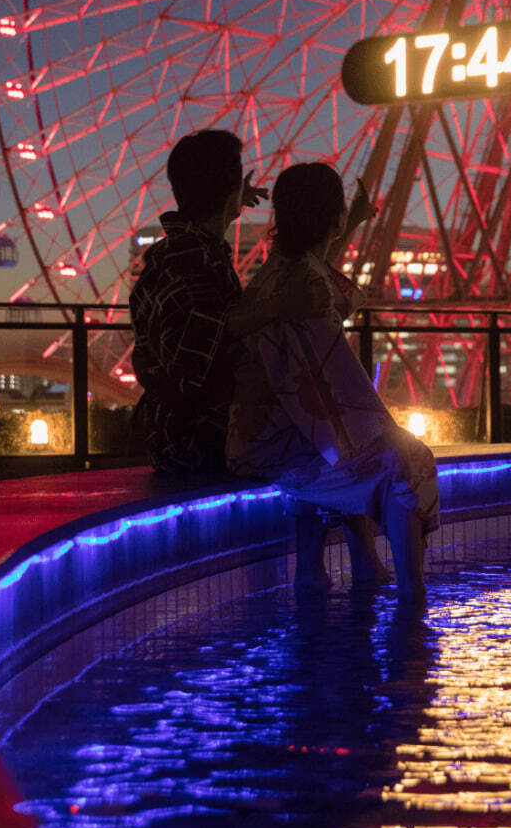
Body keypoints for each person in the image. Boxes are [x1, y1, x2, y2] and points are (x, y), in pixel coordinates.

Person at [225, 162, 439, 599]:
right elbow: (336, 388)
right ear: (334, 219)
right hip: (279, 449)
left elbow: (317, 275)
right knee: (409, 459)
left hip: (255, 436)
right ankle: (412, 598)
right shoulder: (308, 286)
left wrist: (350, 221)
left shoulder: (279, 269)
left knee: (355, 449)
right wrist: (385, 433)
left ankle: (327, 571)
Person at [129, 128, 267, 474]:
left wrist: (230, 198)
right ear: (228, 193)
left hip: (170, 433)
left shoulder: (172, 253)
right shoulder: (195, 260)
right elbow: (196, 365)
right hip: (198, 441)